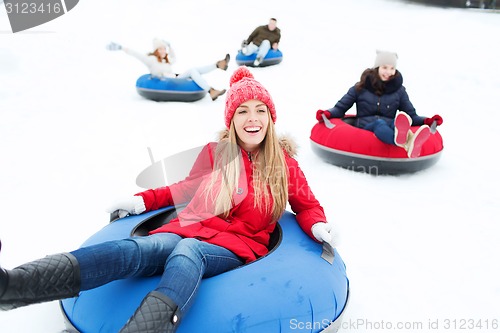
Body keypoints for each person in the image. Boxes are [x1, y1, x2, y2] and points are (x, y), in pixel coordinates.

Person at [0, 66, 335, 333]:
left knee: (188, 252)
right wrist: (141, 202)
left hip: (236, 246)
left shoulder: (284, 165)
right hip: (190, 229)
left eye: (260, 111)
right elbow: (183, 190)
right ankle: (15, 285)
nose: (253, 119)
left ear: (270, 118)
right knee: (143, 248)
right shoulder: (215, 154)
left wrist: (317, 225)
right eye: (243, 111)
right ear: (231, 120)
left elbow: (306, 205)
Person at [316, 50, 443, 158]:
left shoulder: (399, 91)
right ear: (377, 68)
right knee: (379, 123)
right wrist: (327, 113)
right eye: (385, 67)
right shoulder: (360, 87)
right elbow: (340, 108)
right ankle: (405, 143)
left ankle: (407, 141)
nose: (388, 72)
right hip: (366, 126)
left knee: (396, 122)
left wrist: (427, 120)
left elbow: (411, 116)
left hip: (390, 125)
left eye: (392, 68)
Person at [107, 38, 230, 101]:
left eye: (164, 49)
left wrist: (170, 46)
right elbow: (137, 54)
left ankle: (217, 65)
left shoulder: (166, 60)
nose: (163, 51)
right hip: (164, 81)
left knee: (195, 70)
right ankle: (211, 90)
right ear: (156, 50)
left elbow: (174, 57)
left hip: (174, 78)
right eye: (160, 49)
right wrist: (121, 47)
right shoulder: (151, 60)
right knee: (193, 71)